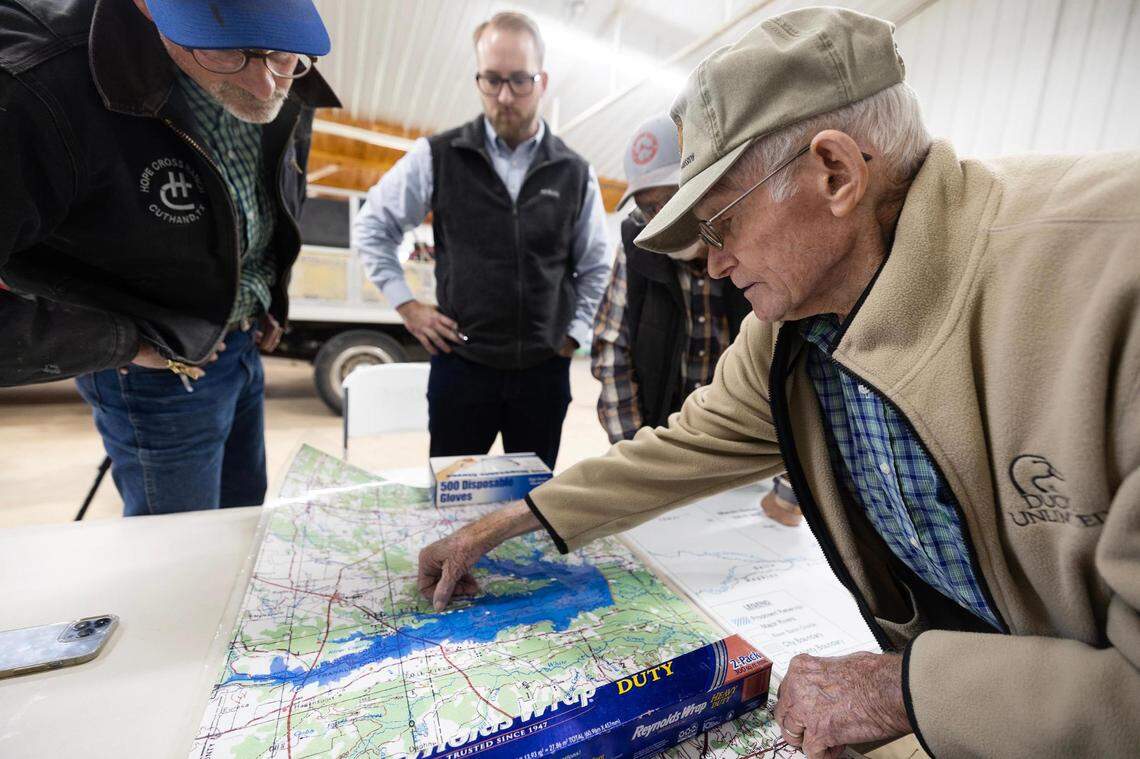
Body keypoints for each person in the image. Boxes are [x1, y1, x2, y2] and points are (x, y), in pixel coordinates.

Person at [418, 8, 1139, 759]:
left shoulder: (1110, 278)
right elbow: (681, 447)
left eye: (720, 223)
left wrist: (904, 688)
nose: (711, 261)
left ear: (835, 173)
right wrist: (507, 521)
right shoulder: (791, 329)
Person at [0, 0, 339, 515]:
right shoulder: (33, 85)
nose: (268, 85)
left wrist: (270, 293)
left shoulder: (285, 66)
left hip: (242, 343)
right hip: (155, 369)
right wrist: (120, 342)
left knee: (242, 520)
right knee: (179, 556)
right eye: (234, 53)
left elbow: (275, 190)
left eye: (282, 53)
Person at [353, 11, 609, 471]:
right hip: (463, 368)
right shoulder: (437, 156)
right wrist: (408, 307)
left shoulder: (575, 172)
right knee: (452, 500)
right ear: (478, 79)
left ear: (542, 80)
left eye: (519, 81)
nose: (505, 96)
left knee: (526, 506)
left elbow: (594, 267)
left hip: (543, 373)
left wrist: (573, 336)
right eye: (491, 80)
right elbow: (373, 227)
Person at [594, 114, 800, 525]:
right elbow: (612, 352)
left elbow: (788, 372)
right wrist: (637, 461)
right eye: (645, 210)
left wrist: (789, 490)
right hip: (661, 447)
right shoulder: (636, 250)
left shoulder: (757, 247)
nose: (657, 223)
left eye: (666, 205)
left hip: (743, 460)